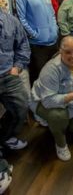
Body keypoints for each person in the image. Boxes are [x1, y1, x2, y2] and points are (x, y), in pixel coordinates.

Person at [30, 36, 73, 161]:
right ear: (60, 51)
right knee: (58, 116)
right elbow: (48, 101)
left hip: (72, 105)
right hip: (43, 102)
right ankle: (60, 143)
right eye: (68, 52)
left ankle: (60, 124)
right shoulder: (51, 69)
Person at [9, 0, 58, 85]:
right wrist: (35, 35)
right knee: (39, 80)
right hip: (36, 46)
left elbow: (52, 13)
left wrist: (55, 30)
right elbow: (18, 20)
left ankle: (52, 103)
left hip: (52, 42)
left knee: (53, 76)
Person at [0, 9, 30, 150]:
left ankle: (6, 137)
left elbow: (23, 45)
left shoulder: (11, 21)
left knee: (21, 108)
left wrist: (17, 67)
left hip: (8, 74)